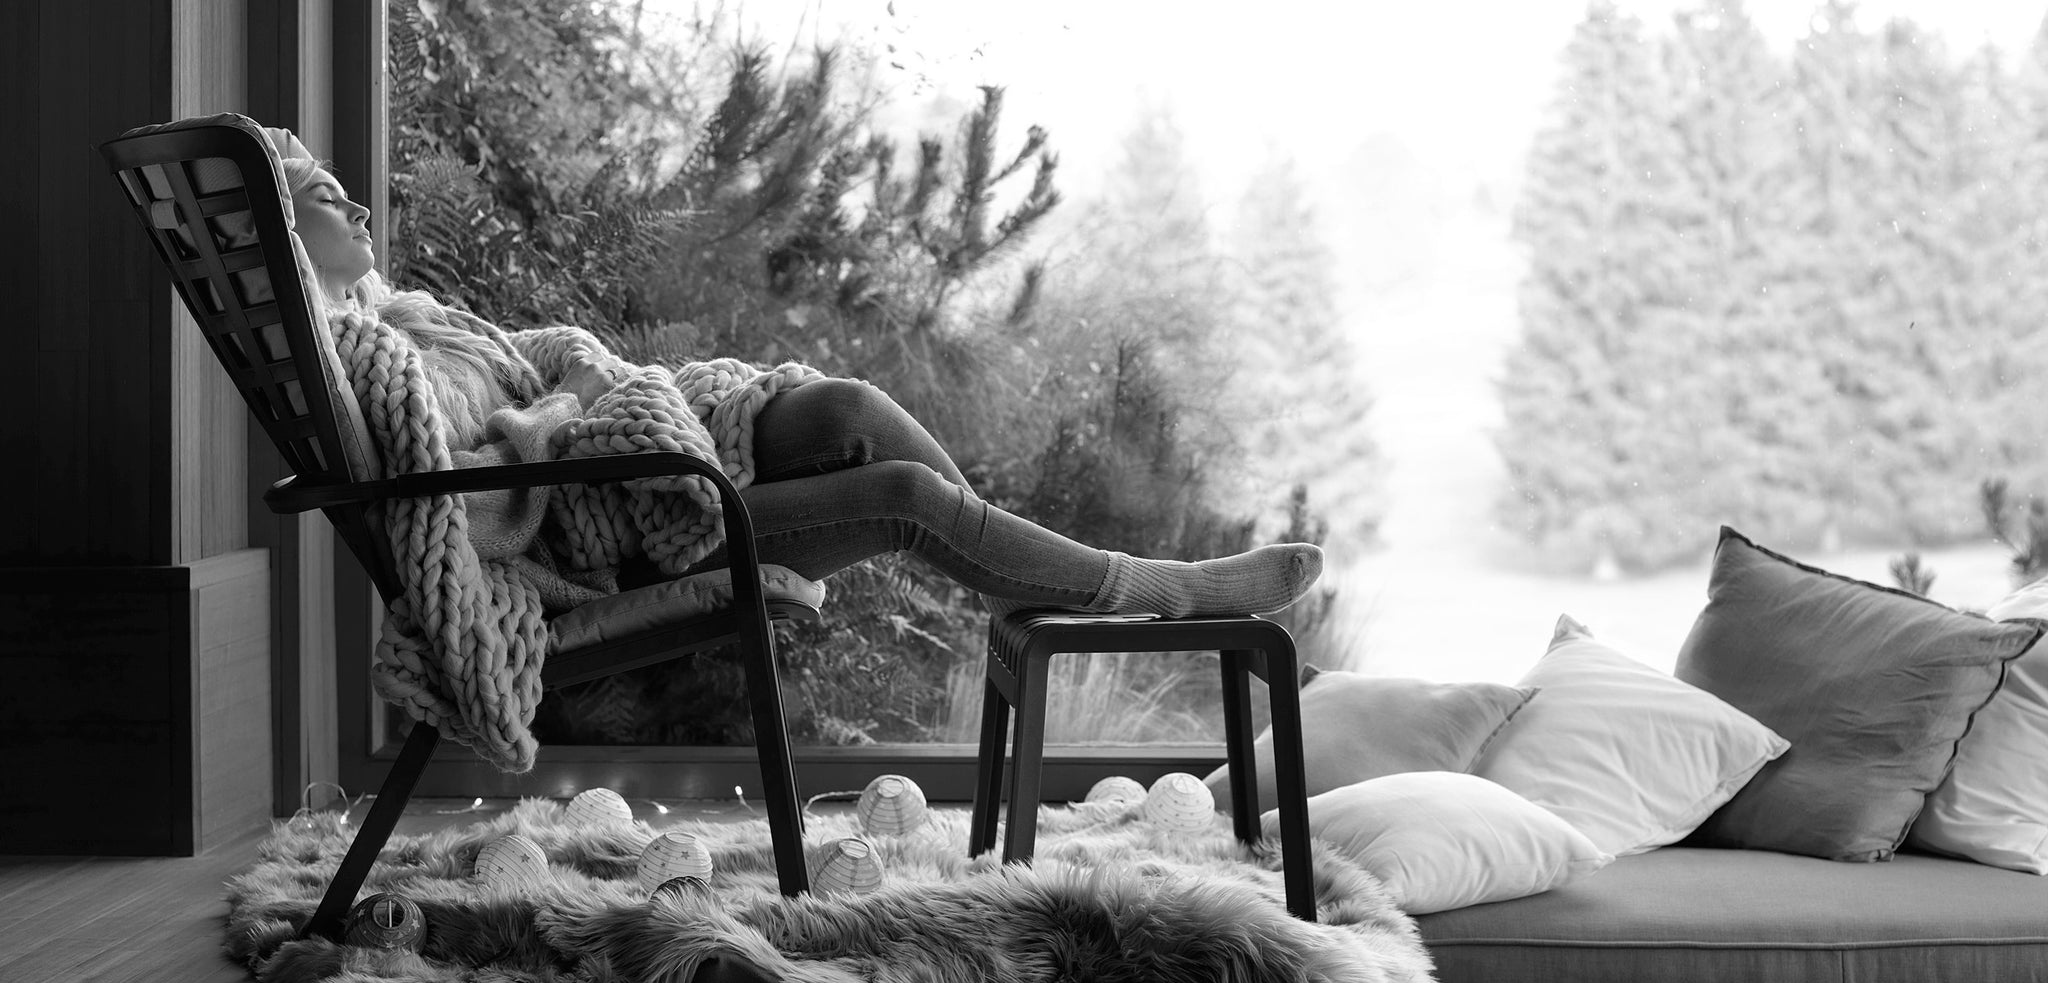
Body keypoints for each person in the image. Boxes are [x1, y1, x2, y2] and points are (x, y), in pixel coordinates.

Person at [276, 139, 1324, 627]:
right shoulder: (378, 362)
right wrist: (571, 413)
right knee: (908, 501)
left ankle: (1028, 576)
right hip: (620, 522)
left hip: (634, 452)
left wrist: (584, 377)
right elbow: (473, 497)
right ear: (285, 231)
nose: (360, 211)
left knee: (849, 410)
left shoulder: (409, 318)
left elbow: (533, 365)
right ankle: (1159, 592)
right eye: (328, 196)